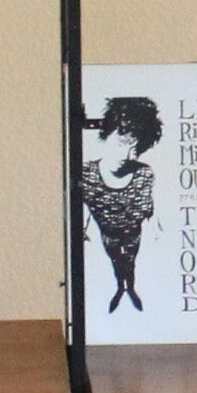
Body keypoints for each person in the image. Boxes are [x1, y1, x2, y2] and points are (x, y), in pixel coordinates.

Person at [76, 95, 163, 312]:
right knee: (116, 261)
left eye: (137, 148)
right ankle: (120, 288)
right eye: (122, 143)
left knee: (130, 262)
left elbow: (148, 209)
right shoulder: (85, 173)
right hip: (107, 234)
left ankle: (130, 288)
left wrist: (154, 226)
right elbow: (81, 208)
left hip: (133, 233)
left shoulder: (144, 174)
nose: (128, 155)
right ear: (106, 136)